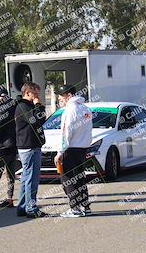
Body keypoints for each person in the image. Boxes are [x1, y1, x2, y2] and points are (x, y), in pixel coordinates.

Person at [54, 84, 93, 218]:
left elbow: (66, 132)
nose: (60, 99)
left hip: (70, 149)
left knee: (68, 180)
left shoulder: (70, 110)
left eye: (61, 96)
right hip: (82, 149)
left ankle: (75, 208)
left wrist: (60, 152)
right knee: (80, 178)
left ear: (69, 95)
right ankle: (85, 206)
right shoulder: (85, 108)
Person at [15, 82, 47, 218]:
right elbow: (36, 120)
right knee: (31, 179)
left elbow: (42, 119)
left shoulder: (28, 106)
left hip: (30, 145)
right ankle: (31, 207)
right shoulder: (23, 106)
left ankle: (22, 207)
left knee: (26, 178)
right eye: (35, 93)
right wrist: (38, 105)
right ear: (27, 93)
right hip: (29, 147)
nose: (37, 96)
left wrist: (38, 106)